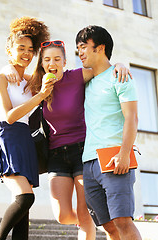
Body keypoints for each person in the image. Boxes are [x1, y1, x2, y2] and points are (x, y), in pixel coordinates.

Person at [18, 39, 132, 240]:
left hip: (82, 151)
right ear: (42, 64)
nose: (52, 63)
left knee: (83, 212)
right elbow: (15, 78)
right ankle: (89, 220)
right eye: (47, 60)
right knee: (62, 216)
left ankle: (87, 221)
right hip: (55, 154)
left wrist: (120, 65)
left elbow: (103, 69)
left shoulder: (78, 76)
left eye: (56, 59)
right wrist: (8, 70)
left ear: (64, 61)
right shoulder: (37, 84)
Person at [0, 17, 54, 240]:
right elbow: (10, 116)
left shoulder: (31, 80)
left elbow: (56, 70)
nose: (26, 53)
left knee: (23, 208)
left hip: (25, 140)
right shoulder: (2, 77)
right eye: (20, 48)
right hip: (7, 136)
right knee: (25, 198)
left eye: (30, 49)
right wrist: (41, 96)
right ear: (10, 49)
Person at [76, 25, 142, 240]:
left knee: (122, 221)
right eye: (78, 48)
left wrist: (124, 153)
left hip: (115, 158)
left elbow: (132, 117)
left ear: (100, 48)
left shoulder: (120, 77)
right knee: (108, 227)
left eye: (84, 47)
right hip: (89, 163)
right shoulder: (84, 82)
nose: (80, 53)